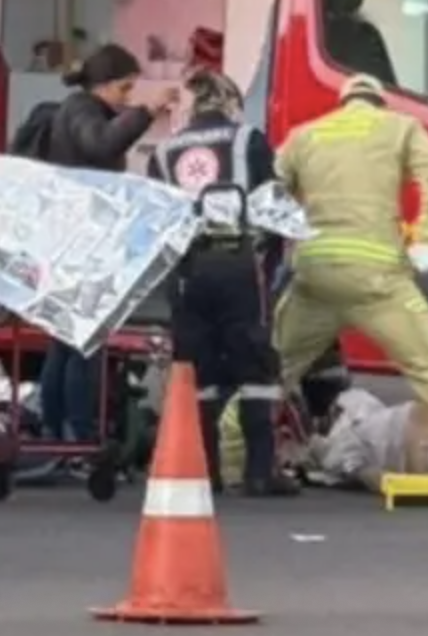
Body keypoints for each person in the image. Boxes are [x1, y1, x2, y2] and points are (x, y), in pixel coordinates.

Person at [270, 73, 428, 503]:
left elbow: (270, 193)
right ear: (379, 103)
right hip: (378, 276)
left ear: (343, 102)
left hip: (316, 274)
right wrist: (422, 235)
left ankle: (229, 455)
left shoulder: (305, 136)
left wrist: (292, 245)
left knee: (271, 370)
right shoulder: (400, 127)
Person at [146, 70, 298, 497]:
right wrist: (271, 265)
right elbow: (273, 208)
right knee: (254, 364)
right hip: (237, 263)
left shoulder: (163, 151)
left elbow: (157, 219)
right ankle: (259, 471)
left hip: (189, 269)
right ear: (230, 101)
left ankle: (204, 470)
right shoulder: (247, 139)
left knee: (200, 368)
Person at [25, 44, 176, 445]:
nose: (128, 98)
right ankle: (79, 432)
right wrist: (144, 113)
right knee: (82, 341)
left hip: (73, 239)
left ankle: (55, 428)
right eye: (125, 89)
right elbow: (101, 145)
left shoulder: (80, 111)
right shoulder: (81, 111)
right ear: (105, 84)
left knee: (66, 341)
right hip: (78, 243)